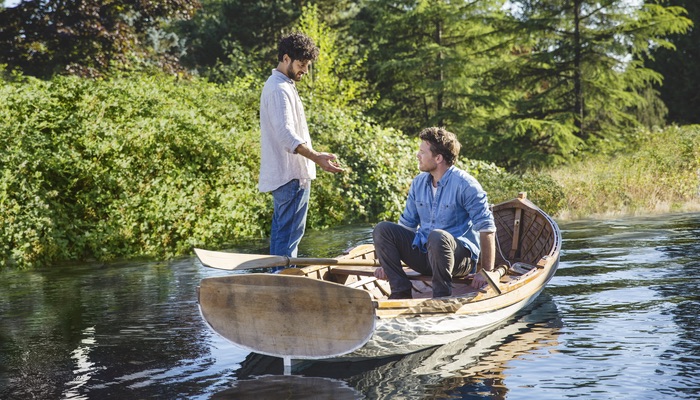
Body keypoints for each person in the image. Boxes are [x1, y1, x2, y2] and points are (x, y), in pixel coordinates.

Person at [372, 126, 496, 298]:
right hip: (425, 256)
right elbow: (407, 226)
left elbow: (487, 228)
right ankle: (400, 292)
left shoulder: (466, 185)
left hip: (459, 261)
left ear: (438, 158)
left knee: (438, 236)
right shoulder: (418, 183)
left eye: (422, 152)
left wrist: (487, 271)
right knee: (383, 229)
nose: (417, 155)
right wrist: (387, 262)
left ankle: (441, 297)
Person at [258, 32, 343, 264]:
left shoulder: (284, 85)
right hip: (290, 177)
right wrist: (316, 157)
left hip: (292, 177)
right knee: (287, 240)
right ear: (286, 58)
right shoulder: (279, 89)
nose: (304, 70)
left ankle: (280, 283)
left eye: (306, 65)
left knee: (286, 239)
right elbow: (286, 135)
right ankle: (282, 286)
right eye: (301, 65)